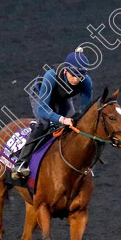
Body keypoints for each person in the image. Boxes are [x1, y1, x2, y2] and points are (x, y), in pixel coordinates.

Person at [12, 47, 93, 179]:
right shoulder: (50, 76)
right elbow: (42, 109)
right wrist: (61, 119)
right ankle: (20, 163)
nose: (76, 80)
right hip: (40, 95)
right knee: (44, 124)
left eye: (80, 77)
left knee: (74, 126)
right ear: (65, 70)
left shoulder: (87, 82)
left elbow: (84, 110)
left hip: (62, 98)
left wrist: (77, 119)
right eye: (73, 75)